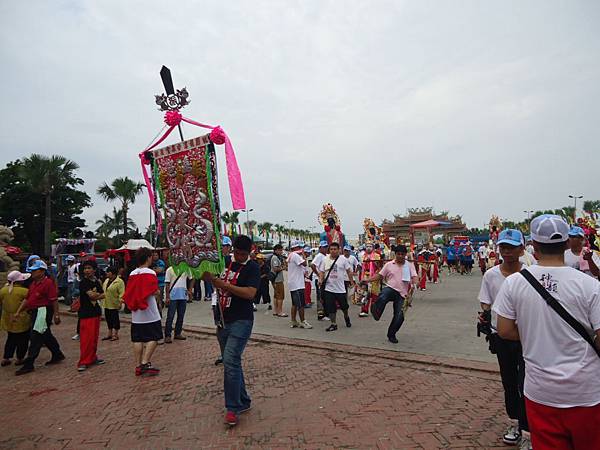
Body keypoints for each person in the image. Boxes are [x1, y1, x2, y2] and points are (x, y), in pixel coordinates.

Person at [494, 215, 600, 449]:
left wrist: (535, 334)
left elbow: (504, 330)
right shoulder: (590, 286)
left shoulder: (514, 283)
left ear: (533, 245)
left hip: (541, 391)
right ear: (565, 244)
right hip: (587, 392)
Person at [477, 229, 531, 447]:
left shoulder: (531, 273)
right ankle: (515, 423)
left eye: (511, 247)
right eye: (503, 247)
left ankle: (528, 432)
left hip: (527, 336)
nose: (507, 252)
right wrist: (487, 314)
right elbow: (485, 301)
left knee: (527, 384)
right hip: (501, 336)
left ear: (522, 248)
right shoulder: (491, 275)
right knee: (509, 382)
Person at [202, 235, 260, 427]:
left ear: (250, 251)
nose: (240, 256)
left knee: (230, 360)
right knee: (232, 362)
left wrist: (225, 285)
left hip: (242, 320)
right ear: (232, 249)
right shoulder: (225, 262)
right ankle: (243, 400)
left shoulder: (252, 267)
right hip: (222, 319)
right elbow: (211, 279)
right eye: (238, 252)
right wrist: (207, 276)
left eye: (244, 253)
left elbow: (250, 293)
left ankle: (232, 407)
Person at [14, 260, 65, 375]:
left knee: (36, 336)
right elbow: (27, 299)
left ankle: (29, 363)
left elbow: (54, 300)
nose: (32, 273)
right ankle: (57, 354)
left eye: (34, 270)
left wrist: (56, 315)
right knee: (45, 335)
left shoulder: (48, 283)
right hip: (35, 312)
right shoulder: (33, 284)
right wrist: (18, 312)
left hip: (43, 311)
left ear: (42, 271)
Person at [362, 245, 418, 343]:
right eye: (398, 254)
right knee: (383, 295)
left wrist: (414, 285)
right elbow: (379, 276)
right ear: (395, 254)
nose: (400, 256)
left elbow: (414, 277)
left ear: (405, 255)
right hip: (391, 289)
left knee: (400, 317)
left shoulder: (409, 265)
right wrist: (367, 280)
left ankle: (391, 334)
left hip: (403, 294)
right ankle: (376, 311)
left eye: (402, 254)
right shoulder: (389, 264)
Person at [123, 248, 163, 377]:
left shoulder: (132, 274)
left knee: (138, 339)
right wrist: (158, 293)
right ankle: (146, 362)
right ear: (147, 258)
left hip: (137, 313)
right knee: (154, 337)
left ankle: (138, 365)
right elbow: (152, 290)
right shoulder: (150, 273)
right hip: (150, 311)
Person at [317, 242, 355, 331]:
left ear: (339, 250)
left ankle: (346, 316)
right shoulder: (325, 260)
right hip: (329, 288)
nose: (333, 251)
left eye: (335, 249)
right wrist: (320, 279)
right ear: (329, 250)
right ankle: (333, 324)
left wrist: (351, 281)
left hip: (340, 289)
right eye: (331, 249)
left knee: (344, 307)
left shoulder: (343, 259)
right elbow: (322, 271)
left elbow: (349, 271)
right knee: (331, 308)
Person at [76, 260, 105, 372]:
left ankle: (92, 357)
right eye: (85, 268)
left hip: (95, 312)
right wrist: (97, 295)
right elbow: (93, 296)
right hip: (86, 313)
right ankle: (83, 361)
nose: (87, 270)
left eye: (89, 268)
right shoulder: (83, 282)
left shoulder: (96, 281)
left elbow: (102, 295)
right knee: (86, 339)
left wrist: (96, 295)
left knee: (93, 338)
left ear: (94, 269)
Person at [0, 271, 31, 366]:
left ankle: (6, 357)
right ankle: (20, 358)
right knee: (23, 339)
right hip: (22, 318)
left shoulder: (3, 290)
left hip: (8, 318)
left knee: (10, 338)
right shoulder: (25, 291)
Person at [164, 265, 192, 343]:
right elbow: (167, 284)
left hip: (183, 295)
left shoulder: (186, 268)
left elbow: (192, 278)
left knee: (181, 315)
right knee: (170, 316)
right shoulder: (169, 269)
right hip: (173, 296)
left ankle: (178, 333)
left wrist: (189, 290)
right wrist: (167, 296)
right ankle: (167, 335)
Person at [287, 241, 312, 329]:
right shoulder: (295, 255)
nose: (301, 249)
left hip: (294, 283)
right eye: (300, 247)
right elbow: (305, 263)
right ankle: (303, 321)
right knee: (301, 304)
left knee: (295, 304)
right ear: (296, 248)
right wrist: (304, 255)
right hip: (297, 284)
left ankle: (293, 321)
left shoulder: (291, 255)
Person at [101, 266, 125, 341]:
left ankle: (116, 334)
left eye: (108, 272)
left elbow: (122, 292)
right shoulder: (106, 280)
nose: (107, 273)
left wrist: (121, 302)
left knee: (115, 319)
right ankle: (109, 333)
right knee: (108, 319)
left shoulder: (119, 281)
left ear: (113, 273)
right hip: (106, 303)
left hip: (114, 304)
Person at [311, 241, 329, 320]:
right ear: (320, 248)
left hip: (324, 279)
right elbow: (312, 265)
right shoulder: (319, 256)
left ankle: (324, 312)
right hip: (319, 279)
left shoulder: (326, 256)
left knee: (324, 296)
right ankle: (320, 314)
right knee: (320, 296)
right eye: (323, 247)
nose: (325, 248)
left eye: (326, 247)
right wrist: (318, 274)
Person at [270, 244, 287, 317]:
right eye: (280, 250)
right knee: (280, 296)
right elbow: (275, 269)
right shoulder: (275, 258)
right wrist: (283, 267)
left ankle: (276, 311)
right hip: (277, 279)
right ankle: (279, 311)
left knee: (276, 295)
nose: (281, 251)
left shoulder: (277, 257)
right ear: (276, 250)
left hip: (276, 279)